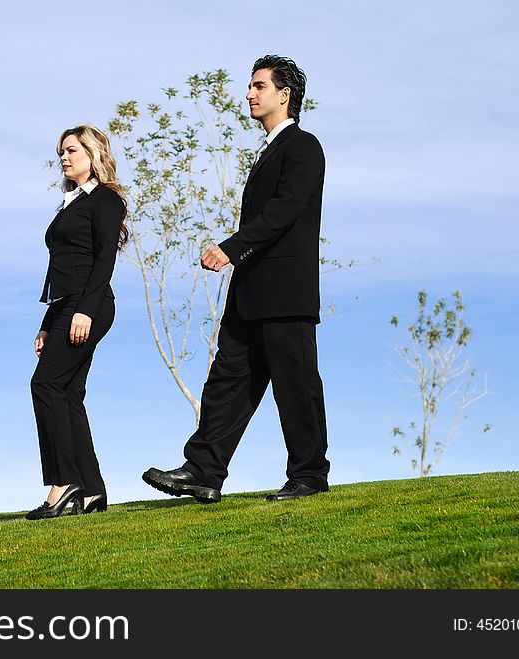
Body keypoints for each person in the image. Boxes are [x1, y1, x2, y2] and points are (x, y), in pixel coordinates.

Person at [142, 55, 330, 503]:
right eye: (250, 86)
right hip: (250, 292)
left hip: (285, 293)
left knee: (295, 384)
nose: (249, 94)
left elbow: (282, 212)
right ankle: (203, 471)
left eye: (259, 86)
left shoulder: (303, 146)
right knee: (227, 380)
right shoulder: (267, 152)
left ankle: (309, 475)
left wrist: (229, 248)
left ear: (284, 95)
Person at [26, 123, 128, 520]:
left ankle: (63, 481)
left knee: (45, 384)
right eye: (61, 154)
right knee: (67, 393)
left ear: (93, 154)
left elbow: (104, 260)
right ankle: (91, 490)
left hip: (92, 304)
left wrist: (84, 310)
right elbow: (63, 271)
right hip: (68, 306)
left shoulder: (105, 199)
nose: (64, 158)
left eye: (71, 151)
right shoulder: (70, 202)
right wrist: (48, 322)